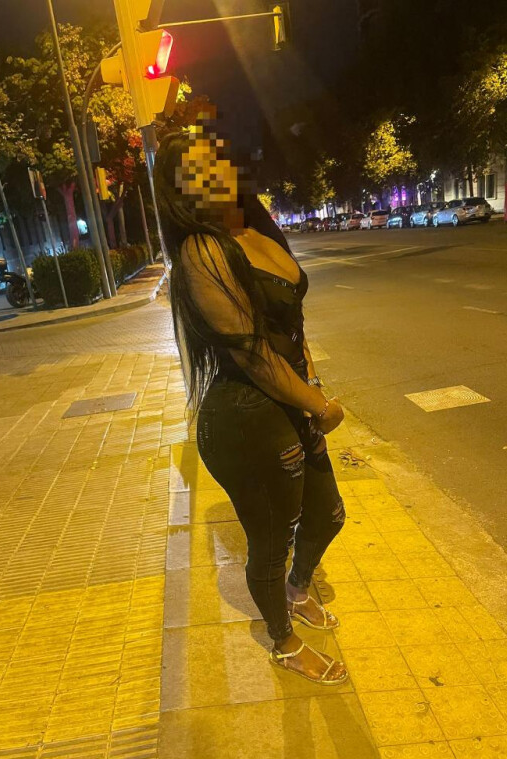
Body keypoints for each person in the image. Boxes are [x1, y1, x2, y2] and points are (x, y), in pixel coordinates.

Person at [154, 123, 348, 685]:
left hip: (289, 402)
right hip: (247, 417)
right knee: (271, 540)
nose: (212, 175)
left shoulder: (257, 230)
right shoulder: (202, 251)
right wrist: (319, 405)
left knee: (329, 514)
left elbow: (292, 328)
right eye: (193, 173)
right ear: (180, 191)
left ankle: (297, 589)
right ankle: (283, 642)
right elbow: (253, 353)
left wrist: (312, 385)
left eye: (215, 160)